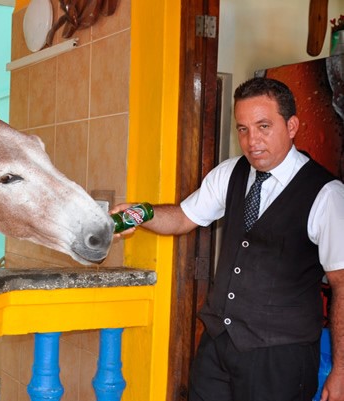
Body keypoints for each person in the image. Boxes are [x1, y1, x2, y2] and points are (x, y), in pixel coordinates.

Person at [111, 77, 344, 401]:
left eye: (264, 126)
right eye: (243, 129)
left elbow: (341, 283)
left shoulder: (326, 194)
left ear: (291, 126)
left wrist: (341, 369)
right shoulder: (231, 172)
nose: (252, 141)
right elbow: (182, 217)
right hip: (219, 346)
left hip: (279, 356)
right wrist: (141, 213)